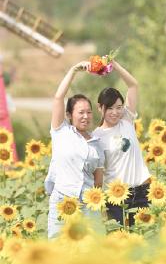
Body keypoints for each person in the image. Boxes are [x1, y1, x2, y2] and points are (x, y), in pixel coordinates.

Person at [45, 61, 105, 239]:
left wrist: (96, 205)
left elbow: (98, 182)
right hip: (62, 200)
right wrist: (73, 70)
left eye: (89, 112)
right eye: (81, 112)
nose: (86, 116)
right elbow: (58, 98)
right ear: (69, 115)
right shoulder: (61, 132)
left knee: (93, 247)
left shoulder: (97, 144)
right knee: (57, 246)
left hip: (87, 204)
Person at [92, 59, 150, 226]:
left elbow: (133, 86)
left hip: (141, 192)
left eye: (118, 107)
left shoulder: (126, 120)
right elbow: (99, 172)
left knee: (146, 237)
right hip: (115, 197)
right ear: (100, 108)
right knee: (120, 243)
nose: (115, 112)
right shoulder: (97, 137)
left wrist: (114, 65)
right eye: (109, 108)